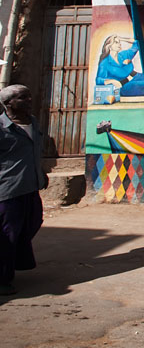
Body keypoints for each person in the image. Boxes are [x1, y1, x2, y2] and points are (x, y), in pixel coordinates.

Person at [0, 85, 48, 295]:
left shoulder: (33, 122)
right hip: (8, 190)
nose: (29, 100)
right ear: (8, 103)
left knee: (33, 221)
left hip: (31, 186)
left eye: (29, 96)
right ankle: (3, 279)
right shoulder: (2, 128)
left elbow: (35, 151)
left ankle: (16, 262)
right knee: (7, 234)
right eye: (22, 98)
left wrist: (41, 173)